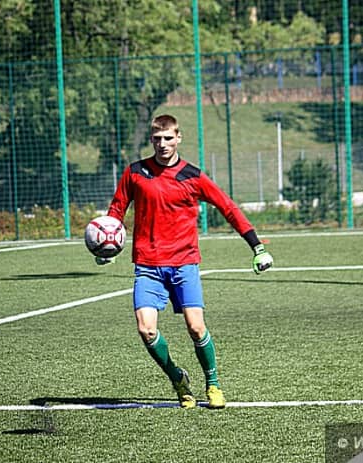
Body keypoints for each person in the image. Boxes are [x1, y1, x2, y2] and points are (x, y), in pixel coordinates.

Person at [98, 114, 273, 409]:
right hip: (148, 265)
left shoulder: (193, 176)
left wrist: (256, 246)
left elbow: (228, 208)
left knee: (196, 327)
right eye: (157, 139)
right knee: (146, 329)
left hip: (184, 263)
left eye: (168, 138)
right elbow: (117, 209)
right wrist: (107, 245)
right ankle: (177, 378)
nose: (163, 144)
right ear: (151, 140)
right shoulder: (135, 172)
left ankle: (213, 384)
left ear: (178, 138)